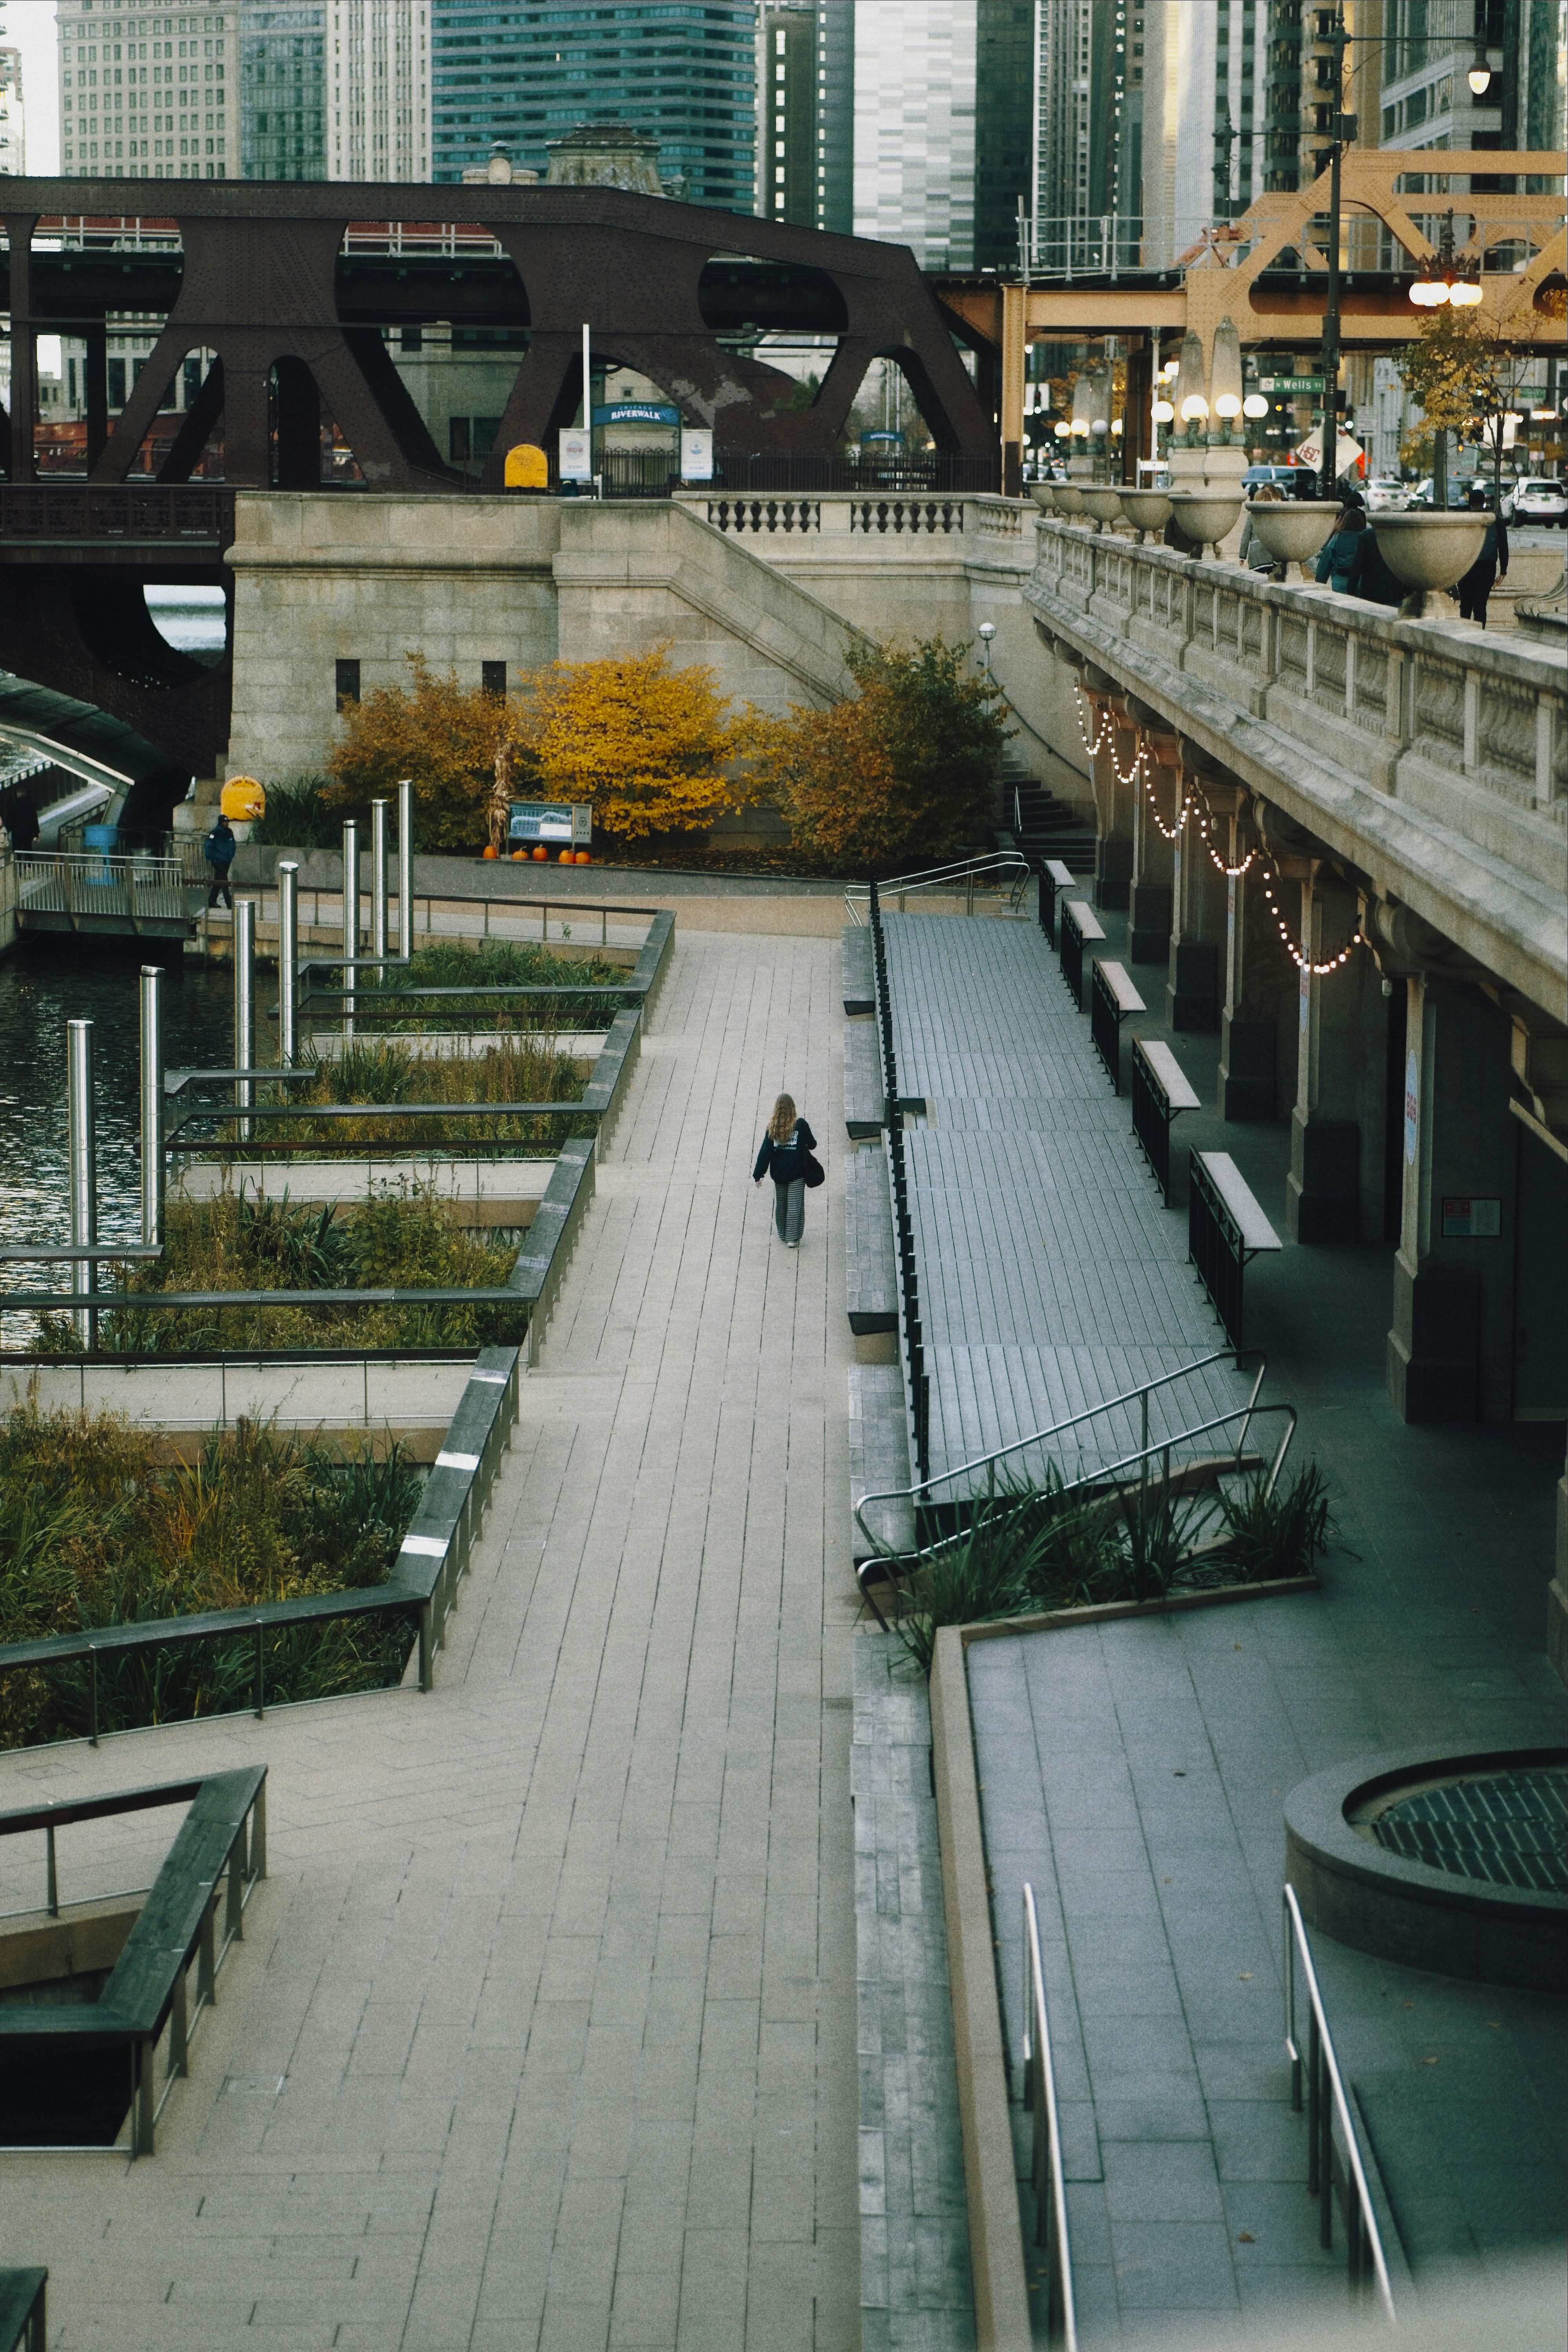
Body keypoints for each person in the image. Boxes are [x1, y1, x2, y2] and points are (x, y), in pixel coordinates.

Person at [753, 1091, 818, 1249]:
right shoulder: (801, 1125)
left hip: (779, 1174)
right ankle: (792, 1238)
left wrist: (759, 1175)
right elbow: (812, 1144)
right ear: (792, 1108)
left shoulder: (772, 1128)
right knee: (795, 1204)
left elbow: (765, 1152)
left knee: (782, 1205)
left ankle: (783, 1233)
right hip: (797, 1172)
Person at [1456, 486, 1509, 627]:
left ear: (1469, 503)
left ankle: (1464, 635)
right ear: (1483, 503)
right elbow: (1503, 546)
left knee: (1466, 605)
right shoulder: (1495, 520)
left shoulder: (1463, 519)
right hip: (1487, 568)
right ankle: (1479, 636)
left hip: (1466, 567)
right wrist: (1503, 571)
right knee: (1480, 606)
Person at [1314, 505, 1367, 592]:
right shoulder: (1365, 538)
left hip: (1340, 580)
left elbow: (1326, 561)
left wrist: (1320, 582)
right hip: (1360, 581)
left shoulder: (1338, 538)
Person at [1238, 481, 1284, 574]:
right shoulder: (1275, 515)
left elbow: (1246, 537)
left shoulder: (1252, 516)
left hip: (1256, 555)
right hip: (1271, 552)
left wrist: (1242, 557)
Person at [204, 810, 237, 909]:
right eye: (225, 822)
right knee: (224, 881)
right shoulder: (215, 833)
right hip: (218, 861)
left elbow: (233, 845)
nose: (227, 823)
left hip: (227, 861)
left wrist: (231, 856)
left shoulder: (230, 832)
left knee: (218, 881)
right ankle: (229, 903)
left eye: (228, 822)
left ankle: (211, 901)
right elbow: (208, 846)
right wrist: (213, 859)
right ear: (221, 822)